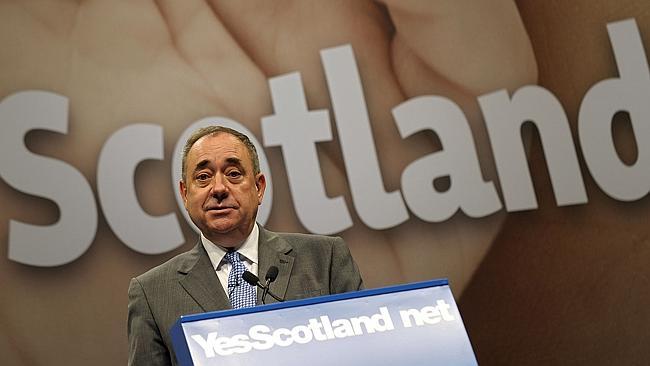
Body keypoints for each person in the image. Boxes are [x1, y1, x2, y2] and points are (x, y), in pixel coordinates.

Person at [127, 125, 364, 366]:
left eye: (233, 173)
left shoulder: (325, 259)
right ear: (185, 194)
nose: (219, 188)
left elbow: (366, 353)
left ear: (259, 187)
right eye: (203, 177)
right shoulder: (152, 293)